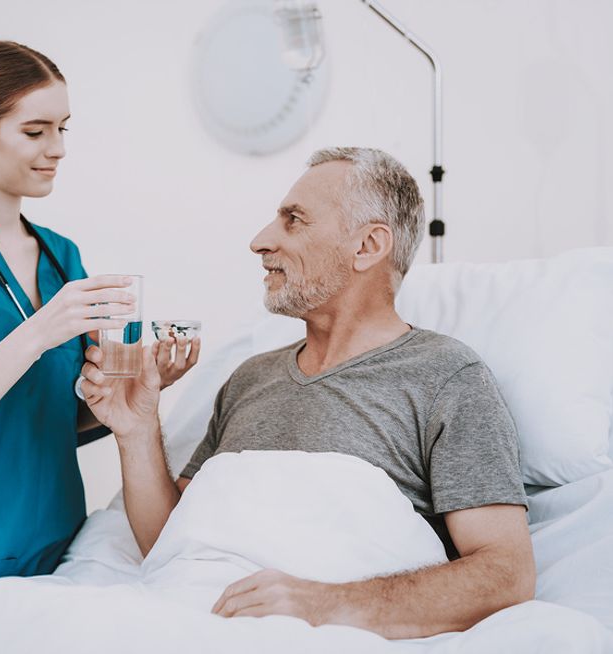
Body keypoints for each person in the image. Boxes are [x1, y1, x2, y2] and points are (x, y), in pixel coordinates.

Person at [78, 147, 535, 639]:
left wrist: (325, 604)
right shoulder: (249, 378)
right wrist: (136, 428)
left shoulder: (446, 377)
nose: (259, 241)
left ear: (367, 246)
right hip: (183, 617)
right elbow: (172, 543)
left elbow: (506, 575)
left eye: (293, 220)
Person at [0, 41, 200, 587]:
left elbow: (49, 414)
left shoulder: (60, 256)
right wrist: (39, 331)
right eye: (35, 131)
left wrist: (137, 389)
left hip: (56, 549)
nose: (58, 148)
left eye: (62, 128)